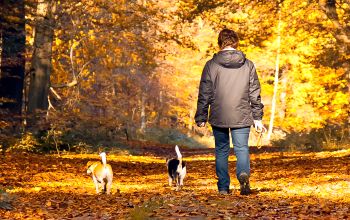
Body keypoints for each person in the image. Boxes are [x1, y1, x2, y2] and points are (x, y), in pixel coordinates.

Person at [195, 28, 266, 195]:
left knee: (221, 150)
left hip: (219, 114)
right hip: (241, 114)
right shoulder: (248, 65)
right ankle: (243, 174)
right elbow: (254, 92)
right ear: (236, 43)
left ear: (220, 43)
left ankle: (223, 188)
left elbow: (205, 91)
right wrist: (257, 118)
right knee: (241, 148)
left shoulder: (211, 65)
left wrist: (201, 116)